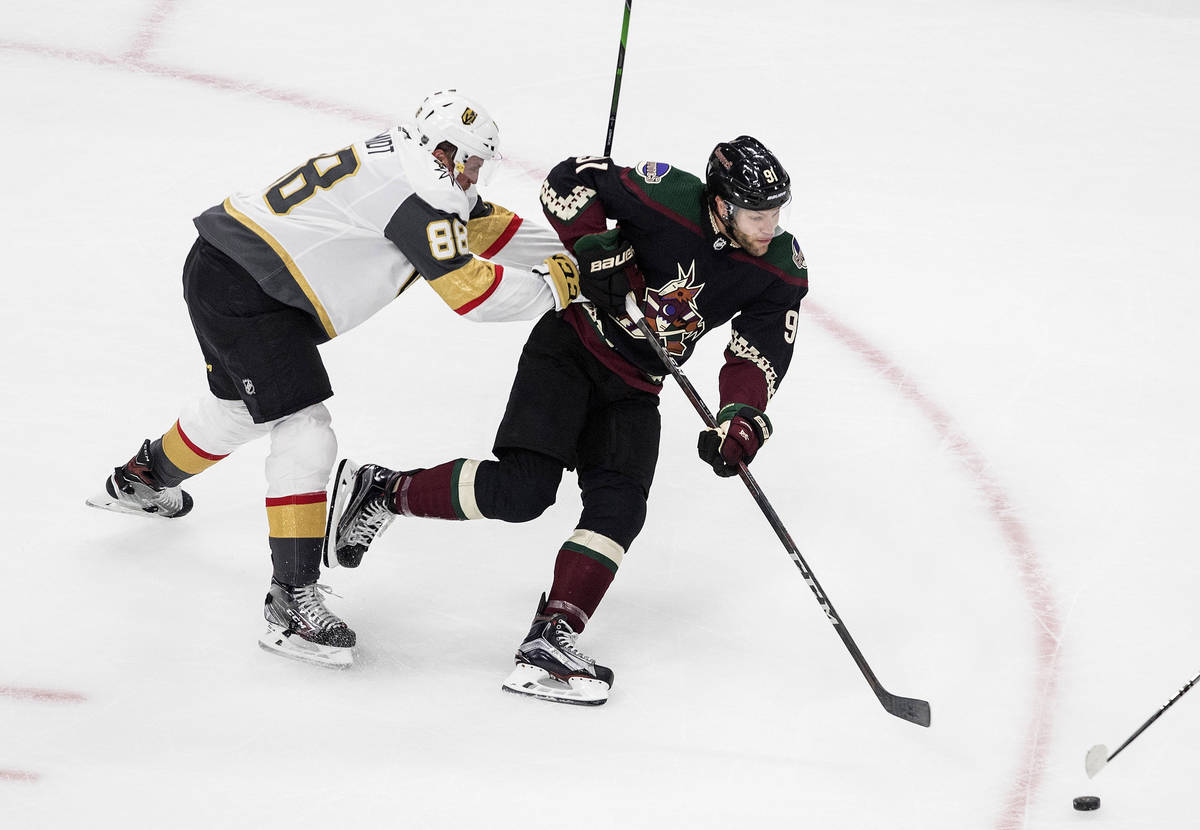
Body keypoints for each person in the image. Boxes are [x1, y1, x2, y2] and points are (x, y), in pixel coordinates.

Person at [85, 90, 580, 669]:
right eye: (466, 161)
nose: (471, 176)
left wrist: (583, 250)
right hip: (252, 292)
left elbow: (480, 225)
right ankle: (290, 601)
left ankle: (142, 478)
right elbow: (471, 291)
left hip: (232, 270)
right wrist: (557, 286)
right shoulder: (412, 198)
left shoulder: (406, 167)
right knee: (305, 428)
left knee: (239, 410)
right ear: (436, 149)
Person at [325, 135, 808, 703]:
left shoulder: (778, 266)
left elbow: (760, 349)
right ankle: (382, 491)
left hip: (637, 386)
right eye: (756, 213)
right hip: (572, 347)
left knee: (622, 507)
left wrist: (742, 419)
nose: (768, 226)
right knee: (524, 492)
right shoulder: (668, 194)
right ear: (721, 203)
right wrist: (597, 246)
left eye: (776, 211)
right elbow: (568, 180)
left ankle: (552, 636)